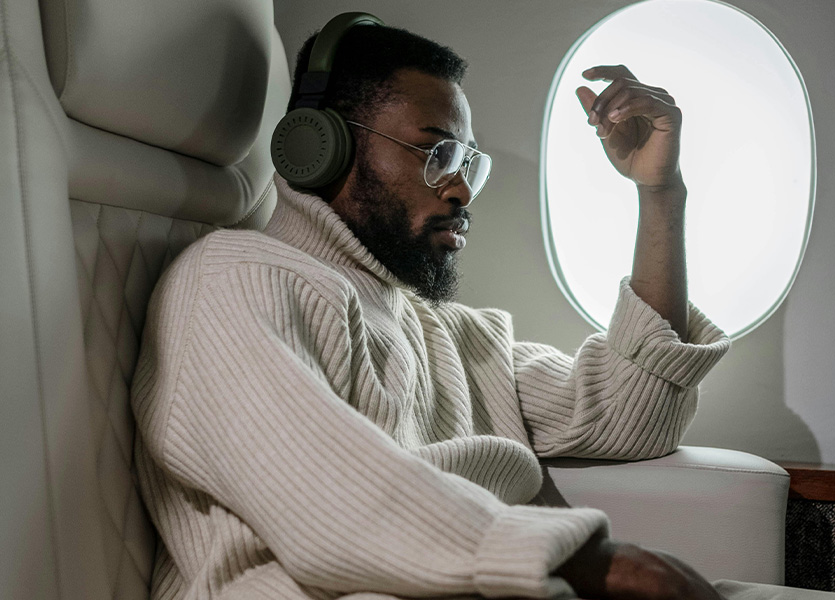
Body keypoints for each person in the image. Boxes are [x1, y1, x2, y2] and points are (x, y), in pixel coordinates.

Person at [131, 15, 734, 600]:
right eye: (438, 154)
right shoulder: (232, 281)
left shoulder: (443, 332)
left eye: (470, 163)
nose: (462, 188)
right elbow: (333, 502)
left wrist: (660, 191)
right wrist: (604, 563)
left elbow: (634, 413)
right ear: (322, 148)